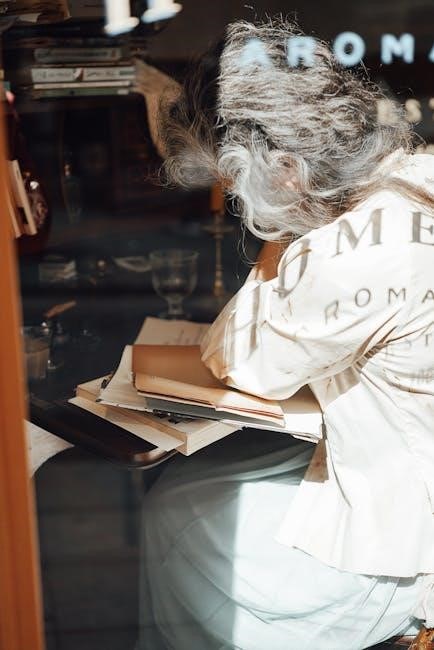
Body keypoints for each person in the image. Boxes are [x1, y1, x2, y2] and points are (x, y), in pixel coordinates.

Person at [137, 18, 434, 650]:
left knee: (173, 512)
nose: (241, 206)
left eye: (239, 189)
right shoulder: (415, 172)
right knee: (195, 487)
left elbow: (239, 361)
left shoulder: (353, 252)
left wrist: (281, 229)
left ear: (286, 169)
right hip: (404, 460)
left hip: (404, 539)